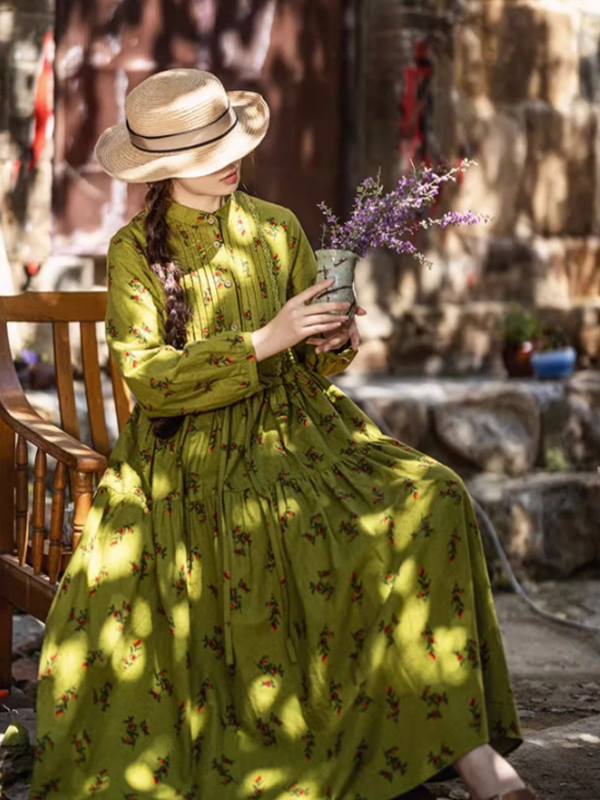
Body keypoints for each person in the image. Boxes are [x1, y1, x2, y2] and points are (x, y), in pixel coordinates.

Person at [30, 69, 534, 800]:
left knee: (435, 497)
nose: (231, 159)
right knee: (273, 533)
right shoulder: (134, 251)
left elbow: (320, 364)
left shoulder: (276, 227)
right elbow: (146, 375)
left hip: (301, 429)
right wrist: (265, 339)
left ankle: (468, 747)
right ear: (166, 169)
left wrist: (332, 333)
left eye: (229, 141)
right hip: (189, 452)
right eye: (208, 152)